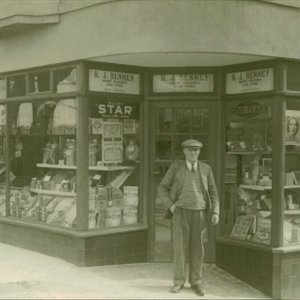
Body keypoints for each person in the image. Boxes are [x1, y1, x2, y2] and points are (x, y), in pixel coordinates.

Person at [158, 139, 219, 297]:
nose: (194, 153)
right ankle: (178, 281)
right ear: (184, 151)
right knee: (180, 248)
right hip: (180, 213)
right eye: (190, 150)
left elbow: (213, 192)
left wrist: (215, 212)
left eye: (196, 150)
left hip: (199, 213)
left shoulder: (206, 168)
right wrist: (171, 206)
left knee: (198, 249)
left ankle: (196, 282)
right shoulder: (176, 168)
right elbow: (162, 188)